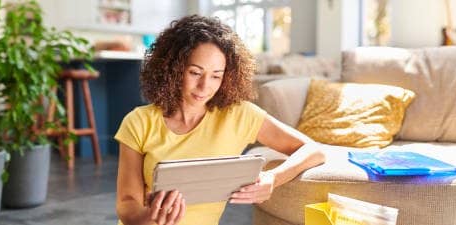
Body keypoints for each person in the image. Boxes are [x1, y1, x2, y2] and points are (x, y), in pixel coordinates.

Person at [114, 15, 325, 225]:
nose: (205, 86)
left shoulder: (239, 115)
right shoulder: (138, 122)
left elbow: (313, 150)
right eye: (195, 73)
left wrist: (273, 178)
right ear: (172, 69)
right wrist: (152, 219)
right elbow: (127, 203)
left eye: (216, 75)